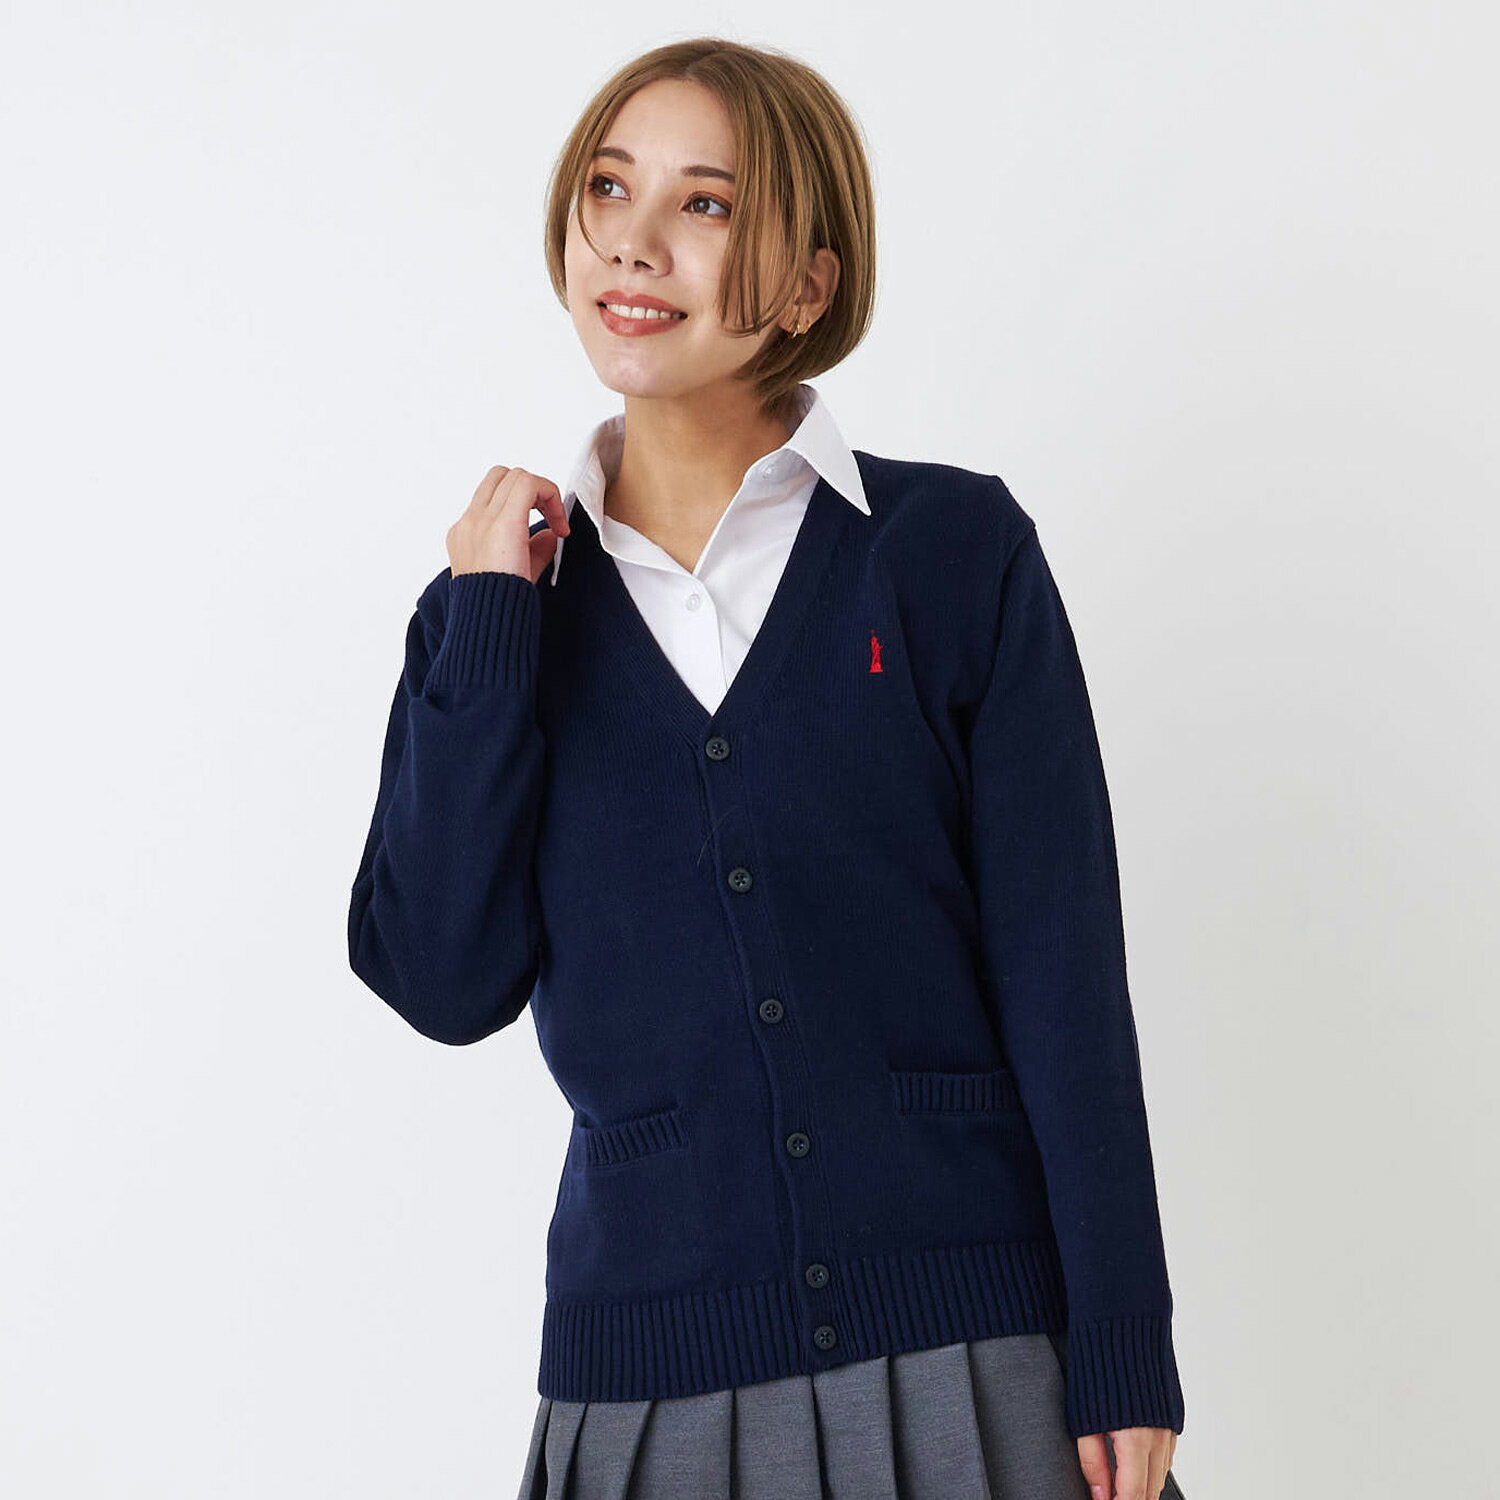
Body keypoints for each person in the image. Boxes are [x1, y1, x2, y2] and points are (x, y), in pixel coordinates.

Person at [347, 36, 1188, 1500]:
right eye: (609, 187)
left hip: (972, 1348)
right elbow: (440, 979)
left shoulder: (951, 556)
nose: (635, 240)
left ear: (806, 283)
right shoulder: (497, 614)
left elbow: (1062, 972)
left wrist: (1124, 1340)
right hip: (648, 1381)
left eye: (707, 204)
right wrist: (487, 623)